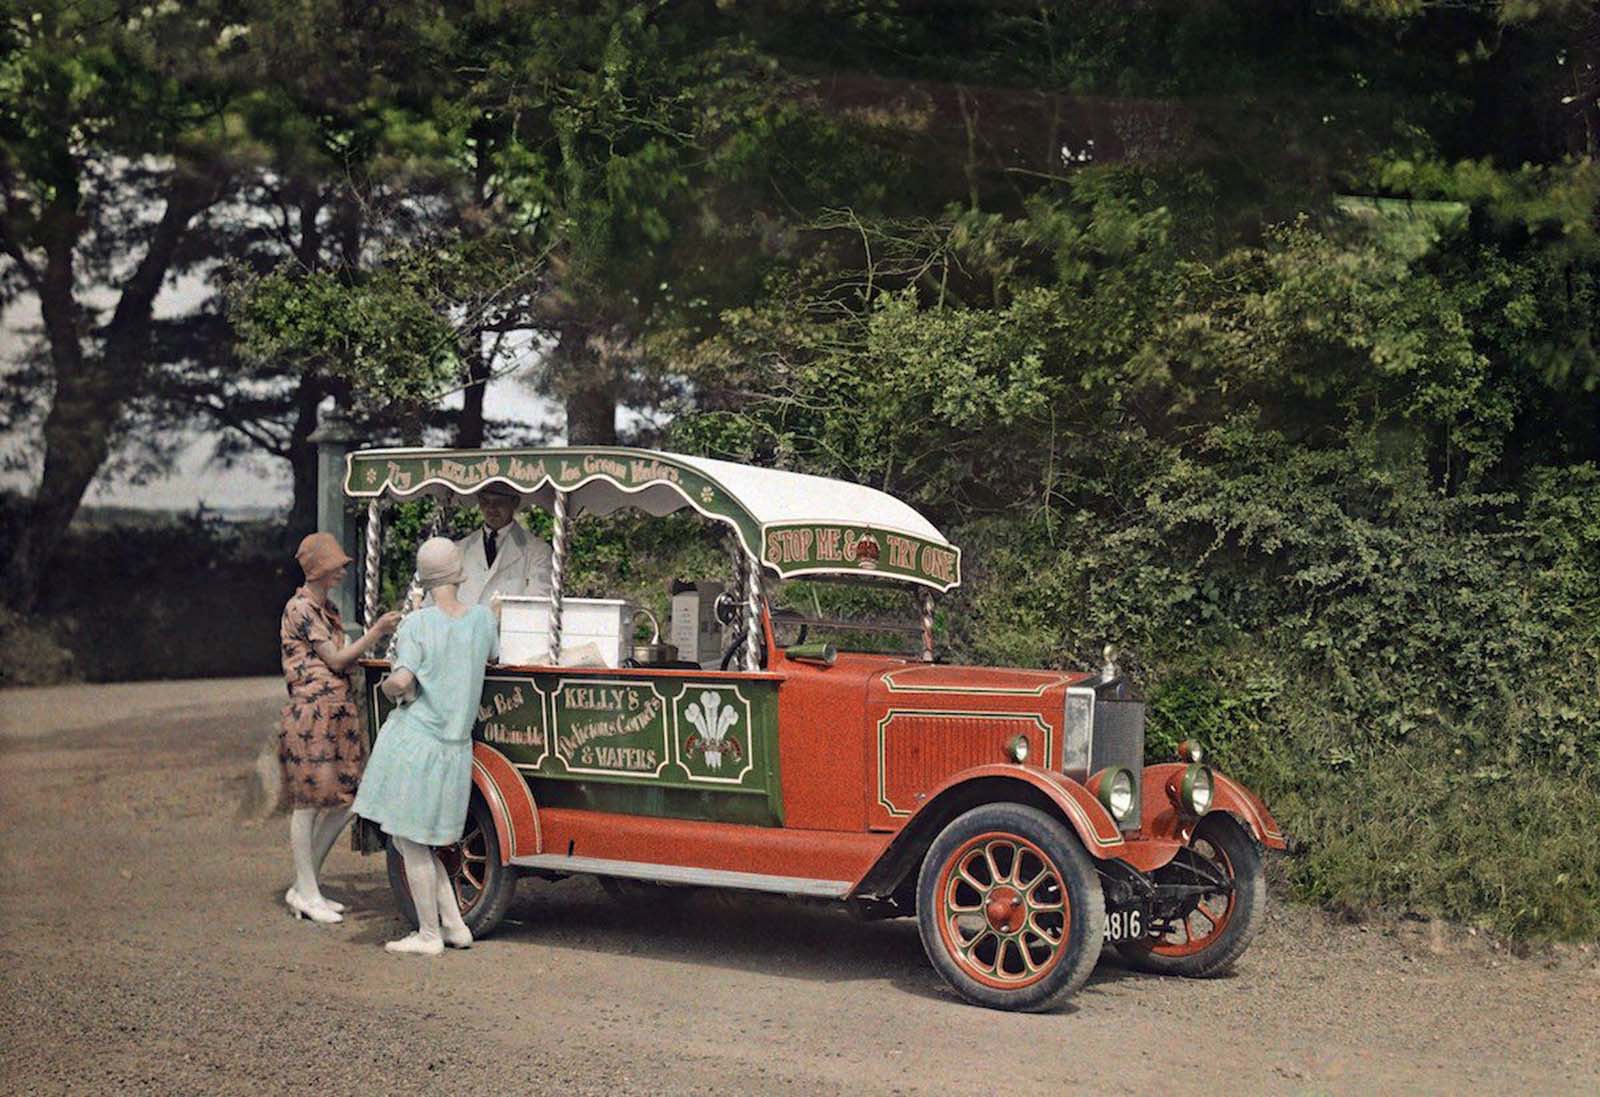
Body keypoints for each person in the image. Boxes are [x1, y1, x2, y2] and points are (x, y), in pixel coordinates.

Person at [351, 537, 499, 956]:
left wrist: (388, 685)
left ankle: (429, 934)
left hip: (418, 742)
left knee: (410, 842)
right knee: (418, 840)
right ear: (460, 573)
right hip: (455, 747)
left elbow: (403, 680)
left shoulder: (417, 624)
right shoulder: (483, 620)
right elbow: (490, 658)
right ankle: (454, 925)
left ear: (423, 577)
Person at [279, 532, 401, 925]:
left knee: (347, 800)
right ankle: (306, 889)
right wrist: (377, 631)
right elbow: (337, 658)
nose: (339, 574)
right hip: (313, 712)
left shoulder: (323, 608)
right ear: (319, 569)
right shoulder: (301, 609)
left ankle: (305, 884)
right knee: (308, 802)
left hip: (335, 712)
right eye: (334, 568)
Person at [453, 481, 552, 604]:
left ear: (515, 502)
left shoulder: (537, 551)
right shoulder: (459, 548)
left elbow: (538, 602)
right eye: (485, 501)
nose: (491, 508)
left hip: (510, 622)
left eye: (499, 502)